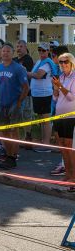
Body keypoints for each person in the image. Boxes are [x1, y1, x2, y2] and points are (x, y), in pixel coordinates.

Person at [0, 44, 29, 170]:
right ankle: (8, 155)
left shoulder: (18, 68)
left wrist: (19, 102)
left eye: (8, 51)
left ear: (12, 52)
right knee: (4, 132)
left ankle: (13, 157)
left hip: (14, 104)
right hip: (1, 104)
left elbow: (26, 87)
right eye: (3, 51)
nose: (5, 53)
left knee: (13, 131)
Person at [28, 42, 58, 152]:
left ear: (48, 51)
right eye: (39, 50)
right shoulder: (40, 61)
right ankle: (43, 142)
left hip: (44, 94)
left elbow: (38, 75)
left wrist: (25, 72)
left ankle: (46, 144)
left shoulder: (47, 63)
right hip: (37, 94)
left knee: (46, 120)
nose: (41, 52)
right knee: (42, 119)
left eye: (44, 50)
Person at [51, 53, 75, 190]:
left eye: (66, 62)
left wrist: (59, 86)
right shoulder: (60, 77)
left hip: (71, 117)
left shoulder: (74, 77)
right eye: (61, 62)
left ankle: (74, 177)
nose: (63, 64)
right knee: (62, 146)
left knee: (70, 146)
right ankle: (68, 173)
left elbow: (72, 98)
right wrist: (55, 89)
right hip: (59, 116)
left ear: (71, 63)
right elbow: (55, 99)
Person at [13, 40, 34, 145]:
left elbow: (26, 74)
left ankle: (28, 137)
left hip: (26, 92)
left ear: (25, 47)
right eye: (17, 46)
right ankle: (17, 138)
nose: (19, 48)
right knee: (16, 116)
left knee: (26, 115)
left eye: (21, 46)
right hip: (14, 93)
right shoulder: (14, 60)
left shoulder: (28, 59)